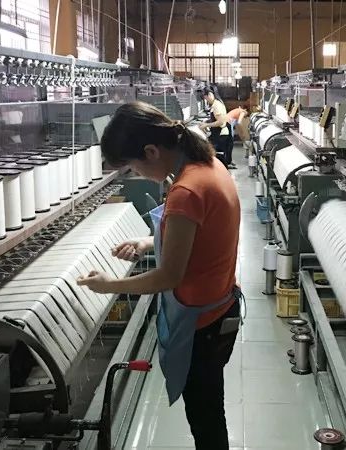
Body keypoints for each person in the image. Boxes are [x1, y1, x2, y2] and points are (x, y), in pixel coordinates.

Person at [77, 101, 243, 450]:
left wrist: (110, 286)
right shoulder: (209, 164)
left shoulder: (186, 191)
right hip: (221, 309)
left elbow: (168, 277)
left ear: (151, 151)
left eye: (135, 167)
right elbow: (199, 235)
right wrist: (148, 241)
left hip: (203, 325)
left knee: (206, 418)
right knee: (210, 410)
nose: (137, 175)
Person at [199, 87, 236, 169]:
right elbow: (216, 118)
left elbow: (220, 122)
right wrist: (207, 122)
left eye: (206, 98)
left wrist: (206, 125)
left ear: (210, 95)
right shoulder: (216, 103)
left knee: (217, 154)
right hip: (220, 132)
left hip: (221, 134)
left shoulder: (216, 106)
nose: (206, 101)